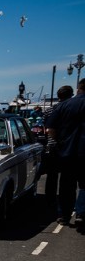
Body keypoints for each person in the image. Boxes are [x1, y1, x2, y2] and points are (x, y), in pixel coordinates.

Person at [46, 79, 85, 227]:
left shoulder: (64, 105)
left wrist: (60, 141)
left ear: (78, 88)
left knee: (66, 185)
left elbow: (50, 129)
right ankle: (81, 212)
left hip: (67, 151)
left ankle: (64, 215)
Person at [42, 85, 74, 211]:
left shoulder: (49, 110)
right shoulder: (71, 109)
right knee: (66, 178)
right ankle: (64, 202)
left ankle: (50, 200)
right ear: (70, 96)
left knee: (51, 176)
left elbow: (46, 129)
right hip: (66, 145)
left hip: (51, 145)